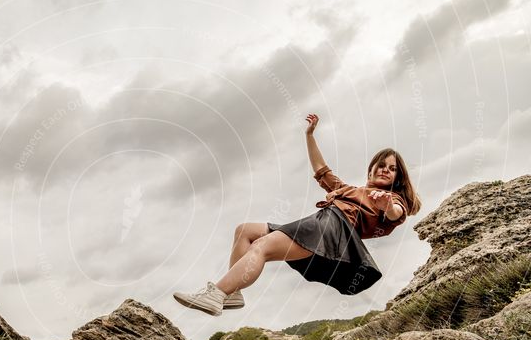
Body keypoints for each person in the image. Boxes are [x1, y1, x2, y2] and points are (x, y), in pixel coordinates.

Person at [173, 113, 422, 316]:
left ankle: (216, 294)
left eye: (392, 169)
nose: (386, 170)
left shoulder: (391, 198)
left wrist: (387, 205)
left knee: (261, 246)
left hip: (332, 230)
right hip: (321, 223)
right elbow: (321, 170)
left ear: (397, 178)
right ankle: (233, 292)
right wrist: (310, 135)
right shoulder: (351, 190)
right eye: (382, 165)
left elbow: (395, 214)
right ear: (370, 170)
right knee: (244, 231)